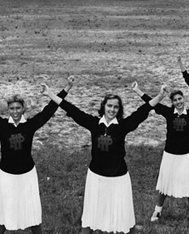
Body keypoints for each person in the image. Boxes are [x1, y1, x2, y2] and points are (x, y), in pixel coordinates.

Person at [42, 81, 167, 234]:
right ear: (103, 107)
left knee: (124, 216)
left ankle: (130, 229)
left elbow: (144, 110)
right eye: (109, 106)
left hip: (118, 178)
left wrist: (160, 96)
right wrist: (50, 94)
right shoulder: (93, 123)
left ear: (119, 109)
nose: (112, 109)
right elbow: (71, 109)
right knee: (91, 216)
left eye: (116, 107)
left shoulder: (123, 126)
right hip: (96, 177)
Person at [0, 74, 74, 234]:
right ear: (7, 110)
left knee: (32, 211)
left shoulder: (30, 125)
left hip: (27, 175)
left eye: (18, 108)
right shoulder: (2, 125)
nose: (15, 111)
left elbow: (49, 111)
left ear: (23, 109)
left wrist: (66, 89)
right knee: (4, 211)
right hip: (6, 175)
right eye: (12, 108)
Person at [132, 78, 189, 222]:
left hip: (186, 155)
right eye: (175, 100)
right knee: (165, 184)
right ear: (172, 102)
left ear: (184, 99)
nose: (178, 102)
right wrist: (137, 89)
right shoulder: (168, 112)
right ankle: (157, 211)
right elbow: (150, 102)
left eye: (180, 99)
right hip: (170, 154)